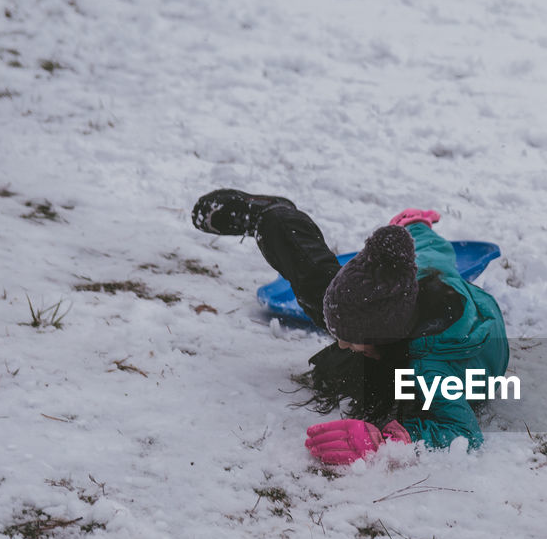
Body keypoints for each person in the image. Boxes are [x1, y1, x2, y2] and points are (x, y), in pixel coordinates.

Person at [191, 189, 509, 465]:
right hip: (395, 335)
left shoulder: (431, 370)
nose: (341, 343)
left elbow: (464, 434)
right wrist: (413, 225)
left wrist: (388, 441)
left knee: (355, 372)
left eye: (350, 339)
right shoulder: (421, 275)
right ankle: (274, 220)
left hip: (436, 357)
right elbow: (430, 249)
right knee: (330, 293)